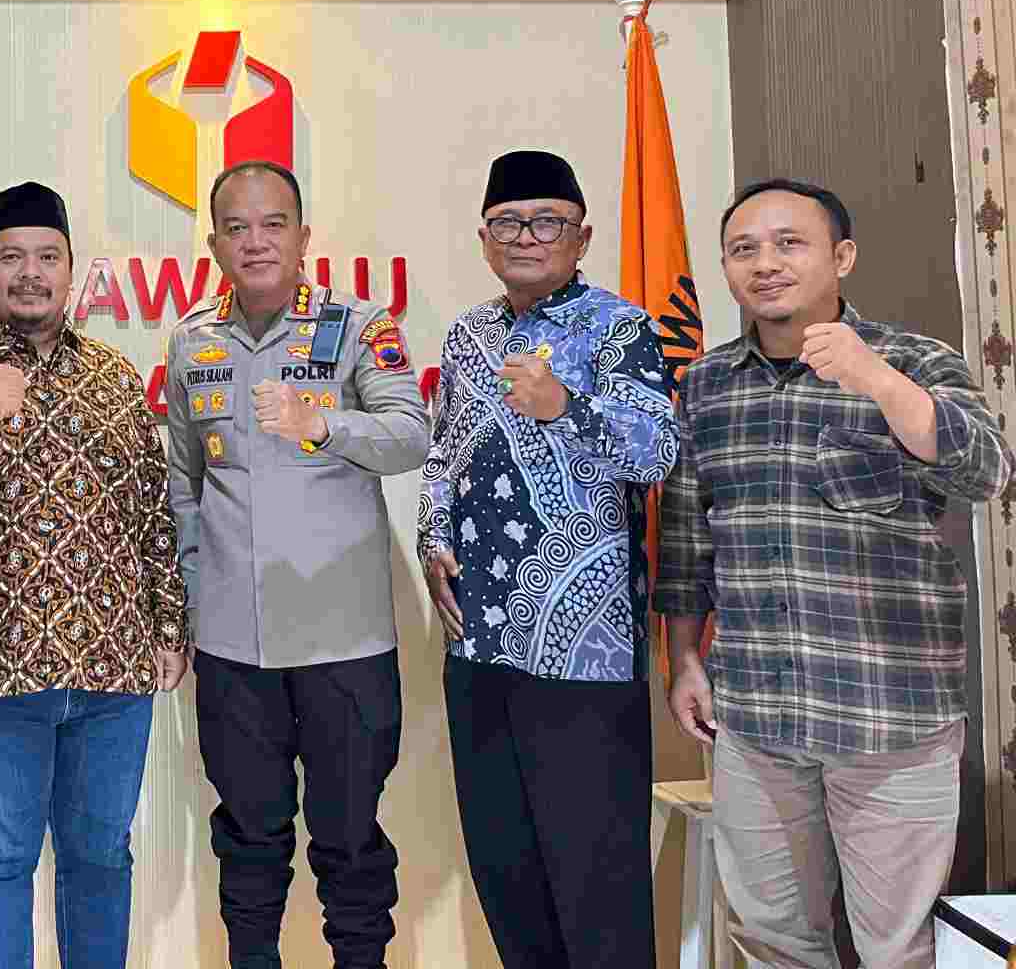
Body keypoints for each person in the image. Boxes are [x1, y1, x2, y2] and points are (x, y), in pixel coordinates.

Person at [657, 178, 1014, 968]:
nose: (765, 263)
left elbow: (987, 472)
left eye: (790, 243)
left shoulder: (916, 361)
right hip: (756, 718)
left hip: (891, 721)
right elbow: (686, 538)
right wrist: (683, 657)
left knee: (897, 949)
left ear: (842, 256)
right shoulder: (706, 385)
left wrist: (878, 381)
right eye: (744, 249)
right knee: (773, 941)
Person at [0, 181, 190, 969]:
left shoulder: (114, 375)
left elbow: (149, 506)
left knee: (101, 859)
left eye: (47, 257)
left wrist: (169, 623)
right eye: (12, 256)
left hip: (112, 666)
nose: (31, 272)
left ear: (71, 271)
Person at [164, 159, 429, 969]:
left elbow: (411, 435)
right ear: (214, 243)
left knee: (349, 842)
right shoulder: (192, 341)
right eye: (236, 227)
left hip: (343, 644)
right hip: (233, 647)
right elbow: (183, 483)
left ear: (304, 235)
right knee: (248, 839)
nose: (256, 242)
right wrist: (191, 594)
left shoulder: (359, 326)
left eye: (273, 224)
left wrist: (323, 425)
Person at [417, 149, 677, 968]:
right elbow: (442, 455)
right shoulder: (468, 334)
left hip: (583, 655)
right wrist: (432, 535)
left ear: (581, 237)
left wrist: (565, 404)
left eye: (547, 222)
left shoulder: (619, 326)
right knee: (506, 871)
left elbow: (657, 451)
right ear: (484, 238)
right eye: (507, 223)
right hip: (479, 644)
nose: (526, 236)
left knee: (596, 881)